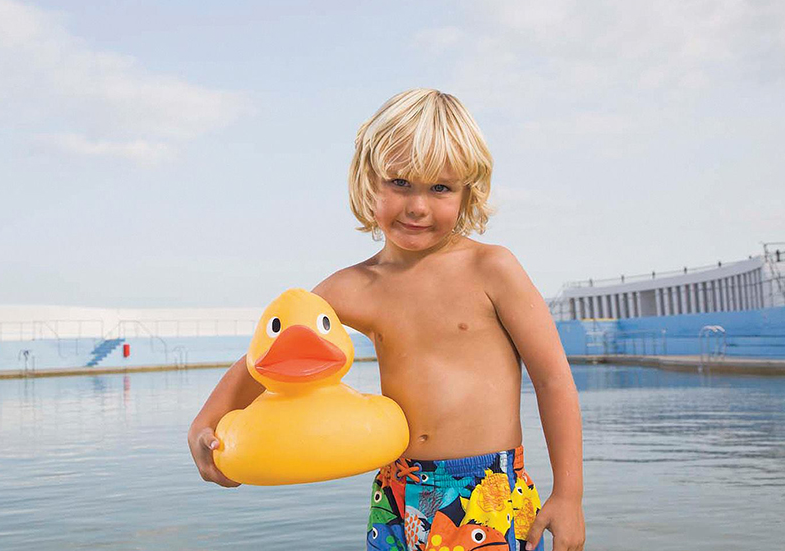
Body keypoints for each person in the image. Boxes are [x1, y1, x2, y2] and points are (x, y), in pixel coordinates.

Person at [188, 88, 585, 551]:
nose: (418, 206)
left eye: (440, 188)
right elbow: (271, 359)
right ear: (367, 182)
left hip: (486, 491)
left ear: (467, 191)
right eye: (400, 183)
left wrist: (569, 494)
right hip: (396, 492)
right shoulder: (353, 287)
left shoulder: (491, 269)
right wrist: (207, 422)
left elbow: (554, 380)